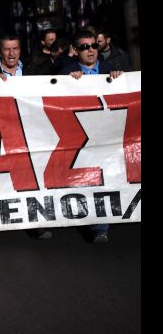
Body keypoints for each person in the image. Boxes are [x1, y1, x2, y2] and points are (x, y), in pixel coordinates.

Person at [59, 30, 124, 244]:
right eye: (85, 47)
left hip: (105, 135)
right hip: (78, 138)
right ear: (76, 51)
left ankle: (100, 227)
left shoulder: (110, 70)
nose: (91, 50)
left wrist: (119, 79)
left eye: (94, 46)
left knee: (104, 179)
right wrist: (66, 82)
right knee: (86, 181)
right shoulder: (65, 73)